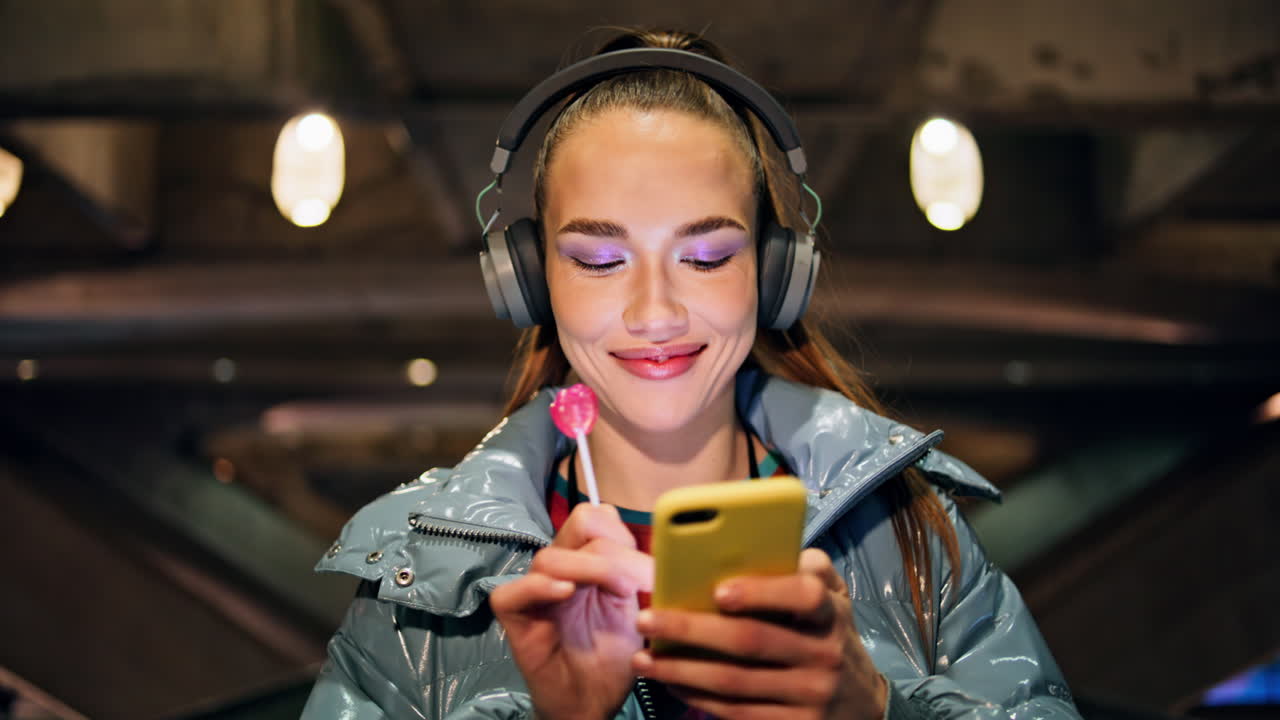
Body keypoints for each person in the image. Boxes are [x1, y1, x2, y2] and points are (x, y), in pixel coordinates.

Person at [301, 28, 1082, 720]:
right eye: (598, 260)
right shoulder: (417, 583)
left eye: (706, 257)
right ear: (533, 281)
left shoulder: (909, 526)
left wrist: (877, 712)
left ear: (774, 274)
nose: (655, 314)